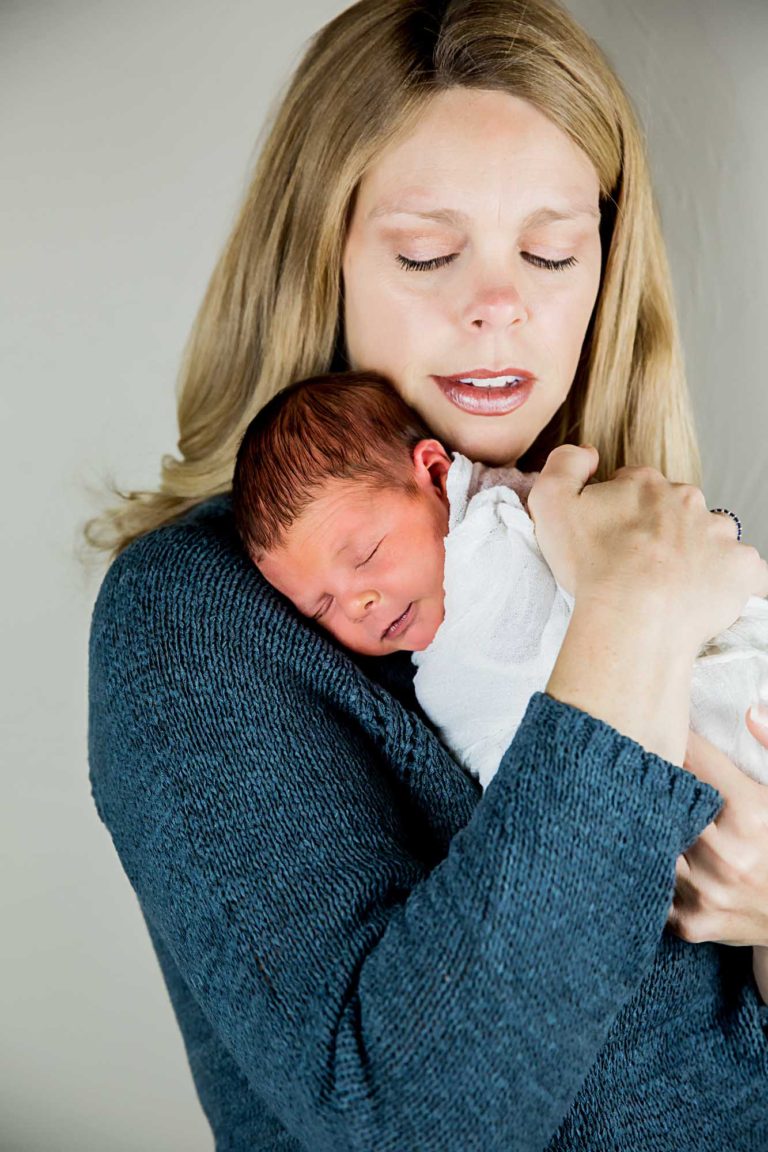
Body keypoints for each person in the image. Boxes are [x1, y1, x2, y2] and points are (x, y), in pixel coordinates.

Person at [85, 1, 768, 1148]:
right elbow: (411, 1121)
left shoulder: (662, 554)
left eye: (551, 250)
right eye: (427, 252)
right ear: (325, 259)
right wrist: (629, 623)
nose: (498, 303)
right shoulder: (197, 619)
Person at [230, 368, 768, 1001]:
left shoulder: (502, 524)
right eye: (321, 605)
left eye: (367, 555)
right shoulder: (426, 678)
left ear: (433, 475)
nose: (359, 603)